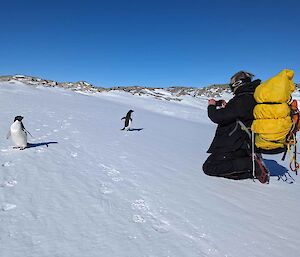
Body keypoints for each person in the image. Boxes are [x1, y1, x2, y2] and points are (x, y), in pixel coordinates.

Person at [202, 71, 263, 180]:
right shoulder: (254, 97)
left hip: (235, 144)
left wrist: (211, 106)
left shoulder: (241, 99)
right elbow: (238, 114)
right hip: (246, 142)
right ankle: (250, 166)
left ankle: (250, 165)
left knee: (209, 167)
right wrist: (227, 108)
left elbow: (217, 117)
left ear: (238, 84)